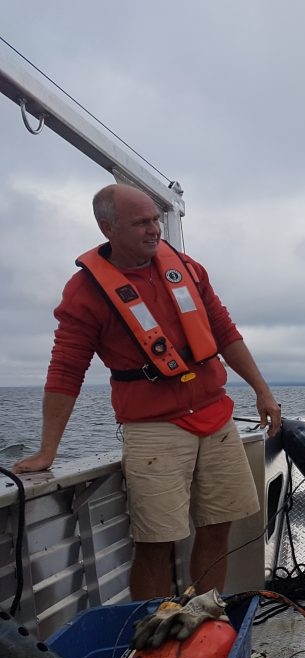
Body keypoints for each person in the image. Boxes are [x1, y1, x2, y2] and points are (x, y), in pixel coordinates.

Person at [13, 183, 282, 601]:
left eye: (156, 219)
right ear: (108, 228)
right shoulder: (86, 293)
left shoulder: (186, 268)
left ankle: (206, 625)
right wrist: (49, 450)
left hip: (215, 414)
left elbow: (225, 333)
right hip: (154, 430)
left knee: (218, 529)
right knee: (156, 544)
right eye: (141, 222)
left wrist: (262, 392)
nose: (154, 229)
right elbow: (66, 371)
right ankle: (152, 651)